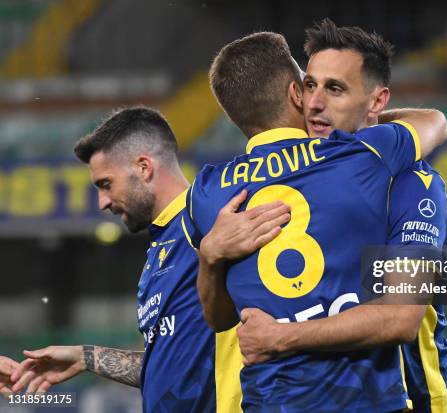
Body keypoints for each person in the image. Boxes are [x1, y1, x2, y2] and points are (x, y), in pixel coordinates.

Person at [202, 20, 447, 412]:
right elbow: (222, 317)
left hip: (420, 400)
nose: (314, 103)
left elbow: (399, 318)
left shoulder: (412, 182)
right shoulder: (296, 180)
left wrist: (282, 336)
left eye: (335, 89)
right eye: (309, 85)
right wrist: (210, 256)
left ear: (377, 102)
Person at [9, 107, 286, 412]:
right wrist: (86, 357)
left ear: (143, 167)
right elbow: (168, 369)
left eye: (105, 184)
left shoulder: (210, 222)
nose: (102, 203)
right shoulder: (158, 250)